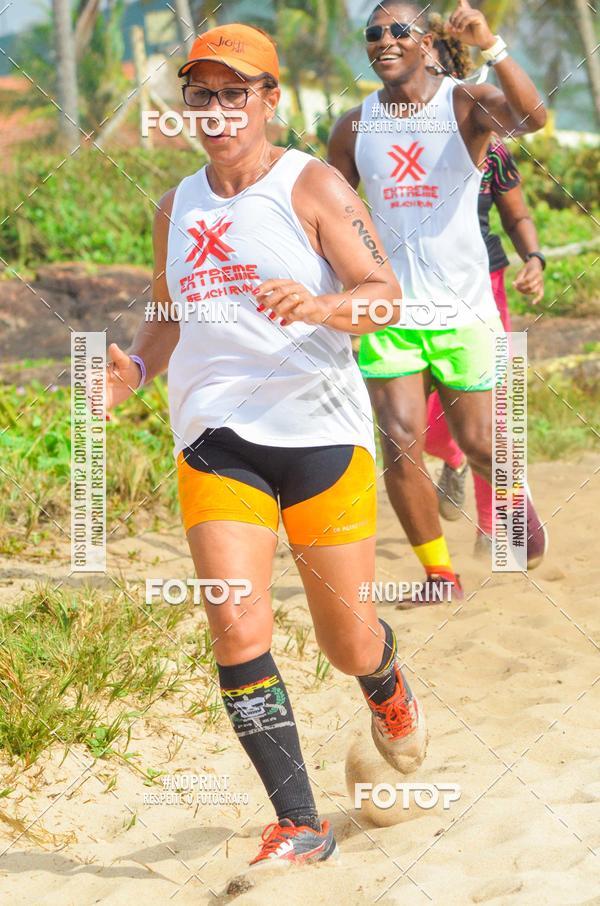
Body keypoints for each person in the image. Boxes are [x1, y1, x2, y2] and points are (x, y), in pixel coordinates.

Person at [105, 24, 427, 870]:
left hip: (319, 433)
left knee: (346, 640)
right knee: (235, 622)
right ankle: (298, 823)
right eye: (201, 95)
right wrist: (134, 368)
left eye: (234, 92)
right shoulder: (175, 205)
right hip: (215, 437)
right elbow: (167, 313)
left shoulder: (310, 183)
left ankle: (385, 683)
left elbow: (385, 296)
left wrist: (322, 307)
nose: (216, 110)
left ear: (269, 100)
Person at [328, 0, 548, 602]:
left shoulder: (465, 103)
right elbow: (327, 212)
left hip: (463, 309)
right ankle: (440, 577)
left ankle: (513, 499)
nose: (384, 40)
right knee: (400, 441)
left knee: (478, 443)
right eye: (373, 32)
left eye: (399, 30)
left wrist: (491, 46)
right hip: (389, 311)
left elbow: (533, 118)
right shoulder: (353, 126)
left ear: (425, 42)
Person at [424, 18, 547, 561]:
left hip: (483, 285)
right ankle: (452, 455)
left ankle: (500, 528)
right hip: (411, 291)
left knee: (495, 408)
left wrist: (534, 259)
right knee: (420, 417)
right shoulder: (382, 139)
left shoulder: (489, 144)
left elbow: (516, 214)